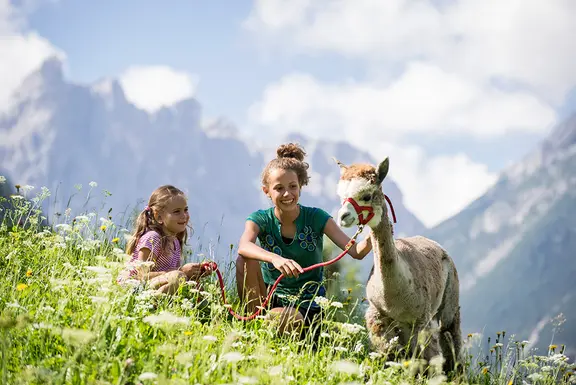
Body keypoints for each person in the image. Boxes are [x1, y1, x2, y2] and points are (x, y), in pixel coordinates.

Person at [236, 143, 372, 334]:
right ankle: (251, 325)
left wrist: (375, 232)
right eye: (278, 188)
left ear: (301, 185)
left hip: (308, 307)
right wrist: (275, 258)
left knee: (283, 318)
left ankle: (266, 327)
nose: (287, 194)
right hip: (269, 298)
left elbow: (356, 252)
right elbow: (243, 246)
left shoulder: (317, 217)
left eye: (293, 186)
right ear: (266, 191)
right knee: (244, 260)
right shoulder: (260, 219)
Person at [118, 185, 207, 294]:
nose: (184, 215)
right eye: (176, 211)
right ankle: (153, 306)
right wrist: (181, 271)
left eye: (185, 210)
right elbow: (141, 275)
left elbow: (173, 277)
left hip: (152, 286)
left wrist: (195, 273)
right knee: (179, 276)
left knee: (196, 287)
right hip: (133, 287)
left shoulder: (175, 243)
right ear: (159, 217)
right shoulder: (153, 238)